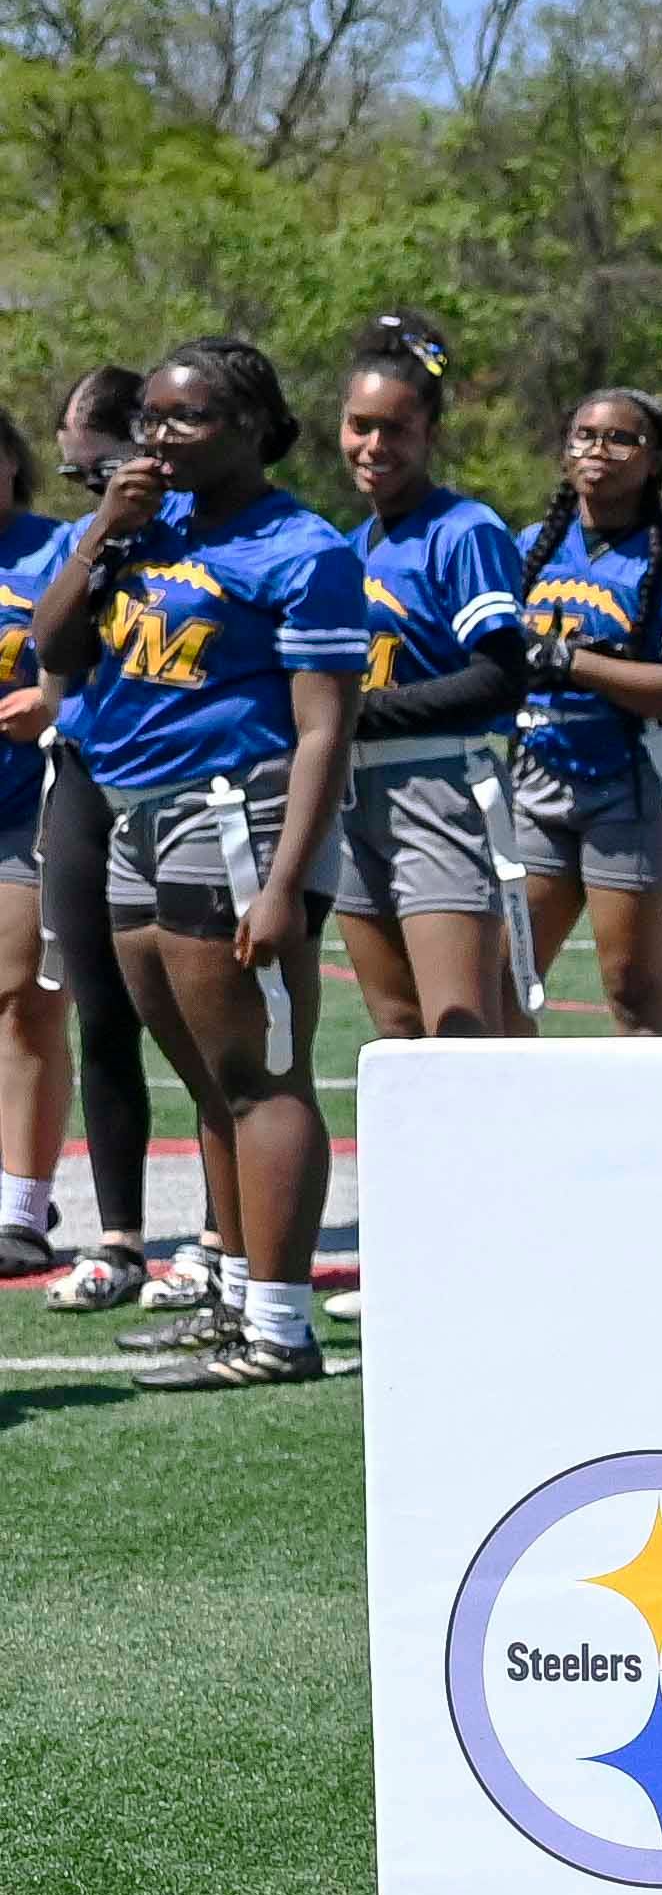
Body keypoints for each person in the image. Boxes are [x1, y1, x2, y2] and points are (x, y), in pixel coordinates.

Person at [28, 339, 365, 1388]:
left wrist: (281, 884)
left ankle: (279, 1324)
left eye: (188, 419)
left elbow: (323, 732)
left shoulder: (302, 549)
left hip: (235, 815)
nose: (160, 438)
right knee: (203, 1076)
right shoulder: (143, 526)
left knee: (259, 1074)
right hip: (132, 809)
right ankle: (228, 1292)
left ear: (254, 428)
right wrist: (100, 534)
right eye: (153, 419)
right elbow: (53, 649)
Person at [328, 317, 533, 1044]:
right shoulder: (353, 543)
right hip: (352, 799)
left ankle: (505, 1160)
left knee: (461, 1028)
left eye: (397, 428)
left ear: (430, 433)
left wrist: (358, 715)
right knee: (398, 1027)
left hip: (438, 791)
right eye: (360, 425)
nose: (375, 445)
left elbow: (502, 678)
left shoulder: (464, 530)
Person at [502, 390, 662, 1035]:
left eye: (618, 438)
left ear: (655, 459)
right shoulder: (529, 546)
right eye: (583, 435)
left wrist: (571, 663)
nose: (596, 450)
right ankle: (521, 1131)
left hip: (634, 784)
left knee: (634, 990)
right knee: (505, 980)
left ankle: (661, 1137)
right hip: (537, 778)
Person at [26, 370, 170, 1311]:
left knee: (207, 1029)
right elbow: (55, 650)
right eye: (79, 478)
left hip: (190, 787)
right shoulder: (98, 533)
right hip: (86, 772)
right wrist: (100, 530)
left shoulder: (208, 527)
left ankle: (216, 1243)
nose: (89, 486)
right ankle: (119, 1237)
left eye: (98, 470)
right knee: (101, 1016)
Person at [0, 400, 76, 1276]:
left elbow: (100, 659)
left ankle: (22, 1208)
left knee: (24, 999)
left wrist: (53, 702)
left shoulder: (55, 547)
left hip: (32, 803)